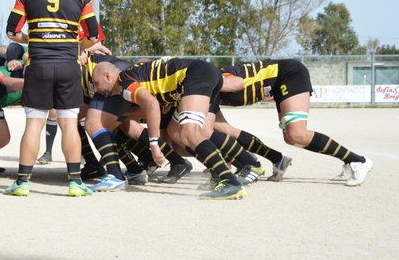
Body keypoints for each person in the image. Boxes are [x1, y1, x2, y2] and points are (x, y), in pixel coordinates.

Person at [4, 0, 101, 197]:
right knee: (69, 124)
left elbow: (12, 33)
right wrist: (78, 45)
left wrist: (32, 37)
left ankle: (22, 182)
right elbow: (92, 36)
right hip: (68, 66)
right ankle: (75, 182)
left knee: (34, 124)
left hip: (38, 64)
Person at [91, 58, 247, 200]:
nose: (95, 90)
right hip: (203, 72)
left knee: (188, 132)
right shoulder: (130, 80)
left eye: (96, 83)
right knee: (178, 131)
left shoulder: (124, 81)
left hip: (196, 74)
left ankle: (231, 182)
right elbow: (148, 107)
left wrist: (153, 145)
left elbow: (151, 105)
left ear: (107, 76)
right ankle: (220, 176)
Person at [220, 59, 373, 186]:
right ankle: (277, 160)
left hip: (289, 74)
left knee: (297, 134)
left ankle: (358, 161)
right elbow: (221, 130)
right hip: (275, 84)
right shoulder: (201, 94)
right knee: (291, 138)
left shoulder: (210, 81)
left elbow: (237, 82)